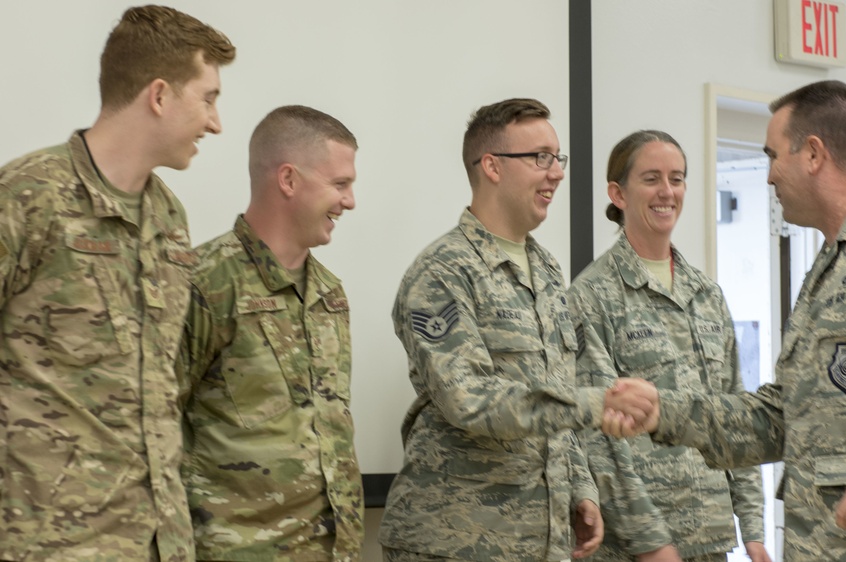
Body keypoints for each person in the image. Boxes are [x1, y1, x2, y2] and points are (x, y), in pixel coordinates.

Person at [608, 80, 846, 560]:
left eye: (774, 155)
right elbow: (783, 416)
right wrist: (665, 413)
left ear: (813, 154)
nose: (769, 176)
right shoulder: (828, 267)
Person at [378, 98, 659, 561]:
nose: (556, 173)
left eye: (558, 158)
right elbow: (468, 398)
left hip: (537, 540)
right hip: (455, 541)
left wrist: (580, 487)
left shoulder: (546, 269)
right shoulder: (443, 271)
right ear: (491, 166)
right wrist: (596, 402)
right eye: (540, 158)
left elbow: (553, 391)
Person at [0, 6, 234, 561]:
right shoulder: (29, 196)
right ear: (159, 95)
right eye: (208, 98)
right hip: (48, 542)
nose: (216, 122)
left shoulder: (168, 217)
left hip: (159, 540)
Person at [570, 131, 771, 562]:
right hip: (637, 547)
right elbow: (598, 436)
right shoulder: (591, 296)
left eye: (677, 179)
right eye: (652, 179)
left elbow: (735, 412)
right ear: (617, 193)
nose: (667, 192)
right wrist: (650, 542)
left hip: (712, 537)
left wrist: (752, 527)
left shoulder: (707, 294)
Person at [177, 105, 362, 561]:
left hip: (332, 549)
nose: (350, 200)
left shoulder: (329, 294)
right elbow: (157, 427)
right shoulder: (205, 283)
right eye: (340, 184)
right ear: (288, 179)